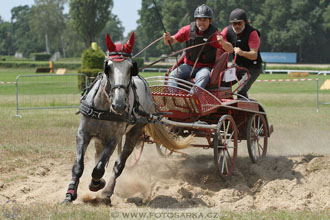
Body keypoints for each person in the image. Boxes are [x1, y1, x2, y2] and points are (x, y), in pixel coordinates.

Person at [163, 4, 233, 91]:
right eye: (199, 19)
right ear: (196, 20)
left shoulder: (215, 35)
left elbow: (230, 49)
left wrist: (223, 43)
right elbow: (171, 41)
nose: (202, 23)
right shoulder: (187, 30)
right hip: (188, 66)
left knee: (203, 76)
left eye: (205, 20)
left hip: (204, 68)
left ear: (209, 21)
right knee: (173, 74)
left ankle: (192, 98)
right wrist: (167, 38)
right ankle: (173, 97)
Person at [221, 8, 263, 99]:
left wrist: (241, 53)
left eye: (239, 23)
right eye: (234, 24)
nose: (237, 26)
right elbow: (219, 41)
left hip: (253, 67)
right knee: (222, 83)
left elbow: (254, 55)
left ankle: (246, 111)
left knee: (241, 91)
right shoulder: (227, 31)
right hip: (238, 66)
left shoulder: (252, 33)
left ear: (245, 22)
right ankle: (227, 106)